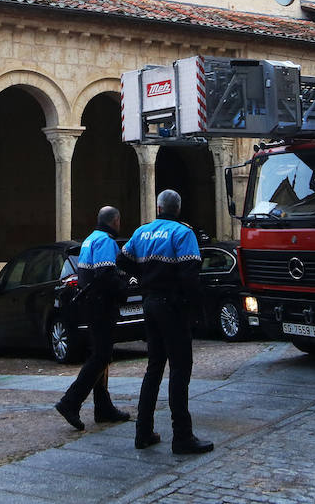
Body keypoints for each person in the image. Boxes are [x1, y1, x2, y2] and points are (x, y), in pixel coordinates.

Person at [121, 189, 214, 455]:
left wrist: (146, 276)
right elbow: (190, 277)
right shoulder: (183, 234)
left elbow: (121, 260)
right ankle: (182, 436)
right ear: (178, 209)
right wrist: (196, 310)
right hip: (172, 306)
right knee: (179, 369)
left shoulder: (142, 232)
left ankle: (143, 431)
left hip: (149, 303)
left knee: (154, 368)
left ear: (159, 208)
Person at [54, 206, 132, 430]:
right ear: (115, 221)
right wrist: (123, 288)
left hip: (90, 303)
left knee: (101, 356)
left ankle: (103, 407)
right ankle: (70, 402)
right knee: (100, 356)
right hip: (101, 305)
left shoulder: (90, 239)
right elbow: (106, 275)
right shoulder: (106, 241)